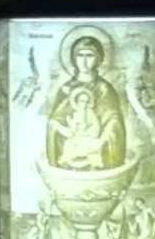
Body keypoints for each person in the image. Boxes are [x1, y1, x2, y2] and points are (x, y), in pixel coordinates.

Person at [46, 35, 126, 170]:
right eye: (80, 55)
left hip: (97, 144)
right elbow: (54, 122)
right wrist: (61, 128)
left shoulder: (104, 89)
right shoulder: (66, 90)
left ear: (98, 59)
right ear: (73, 59)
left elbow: (114, 120)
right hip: (72, 144)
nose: (84, 61)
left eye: (89, 56)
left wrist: (103, 138)